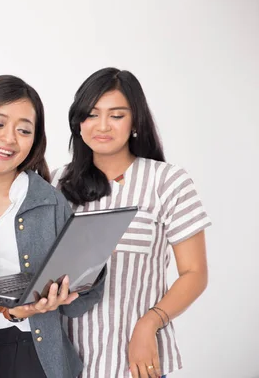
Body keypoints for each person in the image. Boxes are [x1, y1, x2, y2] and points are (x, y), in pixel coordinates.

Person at [52, 67, 211, 378]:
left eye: (116, 115)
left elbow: (195, 273)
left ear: (135, 121)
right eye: (92, 114)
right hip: (65, 362)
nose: (102, 126)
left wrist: (149, 323)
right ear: (78, 121)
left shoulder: (168, 182)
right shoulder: (57, 181)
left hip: (135, 361)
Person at [0, 75, 106, 378]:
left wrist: (76, 282)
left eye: (24, 130)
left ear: (34, 141)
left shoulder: (48, 202)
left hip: (27, 350)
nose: (9, 138)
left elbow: (82, 297)